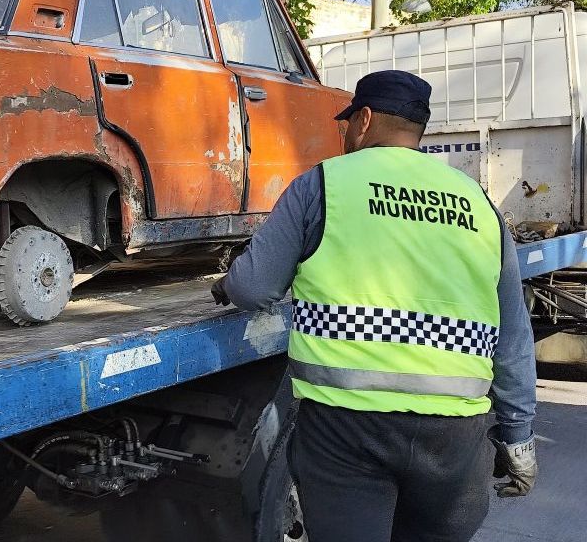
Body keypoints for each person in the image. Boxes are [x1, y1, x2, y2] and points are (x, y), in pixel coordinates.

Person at [212, 70, 538, 542]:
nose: (343, 134)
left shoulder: (323, 184)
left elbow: (254, 288)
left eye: (346, 124)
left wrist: (228, 280)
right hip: (455, 440)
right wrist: (518, 433)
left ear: (363, 120)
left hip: (344, 431)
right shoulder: (478, 202)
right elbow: (512, 334)